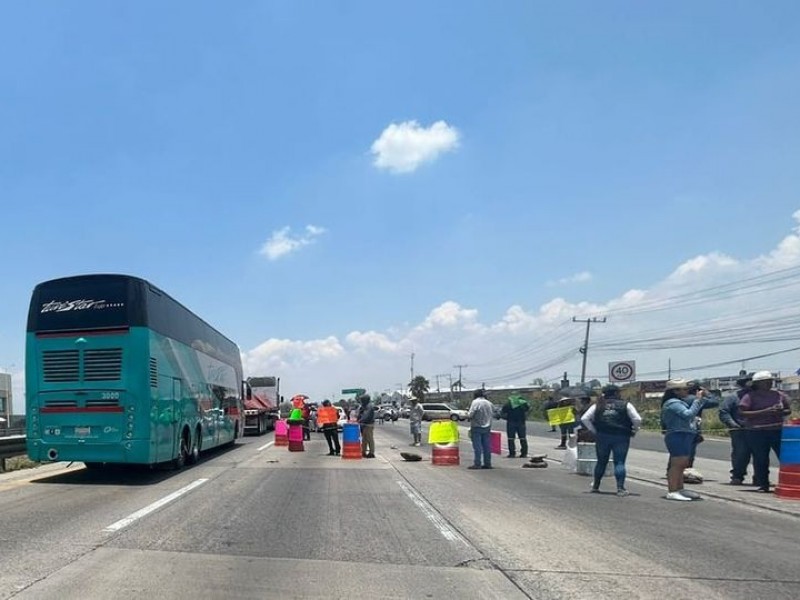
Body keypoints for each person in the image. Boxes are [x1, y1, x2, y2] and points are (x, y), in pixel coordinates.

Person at [581, 385, 641, 497]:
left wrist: (594, 431)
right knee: (619, 462)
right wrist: (634, 429)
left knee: (601, 462)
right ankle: (620, 489)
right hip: (621, 437)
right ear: (617, 393)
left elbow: (585, 418)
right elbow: (637, 419)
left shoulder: (598, 405)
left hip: (602, 436)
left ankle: (596, 487)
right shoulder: (625, 405)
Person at [738, 371, 791, 493]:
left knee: (784, 457)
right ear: (758, 384)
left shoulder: (779, 395)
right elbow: (743, 412)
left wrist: (781, 411)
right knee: (761, 458)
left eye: (770, 381)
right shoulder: (750, 396)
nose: (769, 384)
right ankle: (763, 484)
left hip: (776, 430)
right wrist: (765, 411)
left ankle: (788, 481)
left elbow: (788, 410)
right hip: (757, 431)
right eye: (765, 382)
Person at [661, 379, 709, 501]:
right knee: (677, 463)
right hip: (677, 434)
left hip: (685, 434)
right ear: (675, 391)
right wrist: (697, 400)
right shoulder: (672, 403)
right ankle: (672, 490)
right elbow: (688, 414)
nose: (687, 392)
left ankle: (679, 488)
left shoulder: (680, 401)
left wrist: (702, 398)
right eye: (684, 389)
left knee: (683, 463)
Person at [718, 373, 754, 485]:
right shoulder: (733, 397)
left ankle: (761, 478)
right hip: (740, 430)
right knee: (741, 453)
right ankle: (737, 476)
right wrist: (732, 424)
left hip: (759, 430)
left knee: (760, 455)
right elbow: (723, 411)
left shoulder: (761, 396)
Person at [467, 389, 494, 469]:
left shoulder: (475, 402)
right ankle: (487, 463)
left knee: (477, 446)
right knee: (487, 446)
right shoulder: (489, 403)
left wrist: (467, 415)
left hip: (477, 426)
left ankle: (477, 463)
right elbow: (494, 412)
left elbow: (471, 414)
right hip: (488, 426)